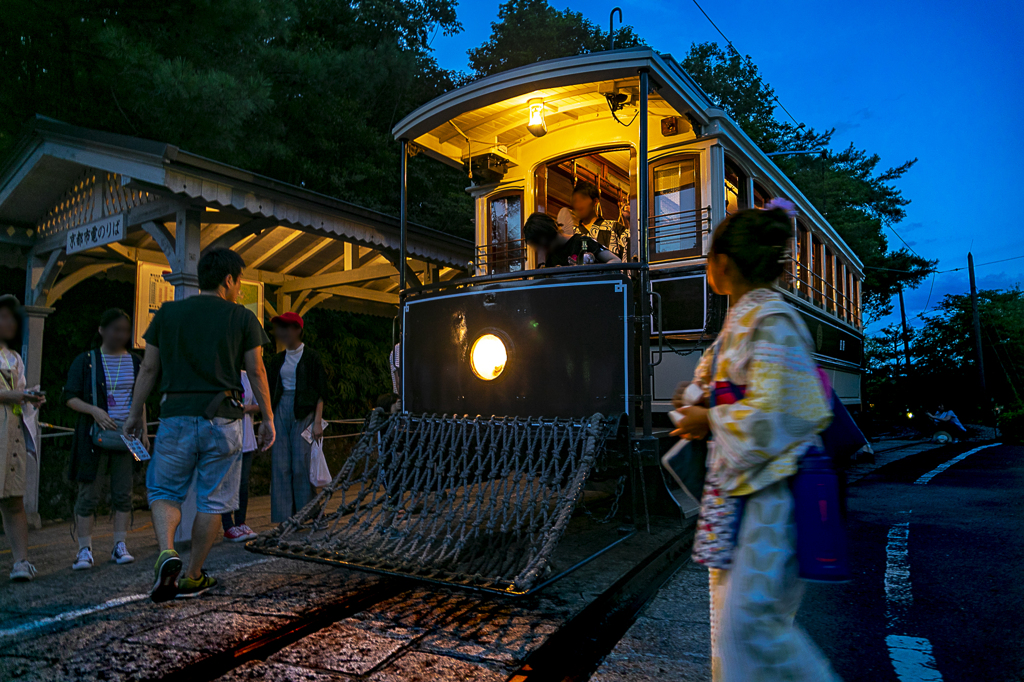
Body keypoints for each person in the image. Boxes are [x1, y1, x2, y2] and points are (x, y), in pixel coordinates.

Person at [671, 200, 840, 681]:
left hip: (771, 493)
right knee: (733, 622)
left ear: (722, 264)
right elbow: (711, 382)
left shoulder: (771, 320)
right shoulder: (746, 319)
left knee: (749, 628)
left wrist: (710, 419)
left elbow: (780, 410)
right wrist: (695, 401)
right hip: (742, 489)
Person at [124, 248, 275, 602]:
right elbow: (256, 369)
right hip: (222, 417)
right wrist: (267, 417)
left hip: (174, 414)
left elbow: (148, 368)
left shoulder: (168, 313)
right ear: (228, 280)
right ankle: (192, 576)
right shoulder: (241, 317)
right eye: (239, 282)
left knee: (164, 491)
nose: (239, 290)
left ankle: (166, 552)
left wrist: (134, 414)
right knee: (214, 501)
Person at [65, 309, 148, 570]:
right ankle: (84, 549)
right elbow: (69, 397)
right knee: (88, 493)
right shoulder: (87, 360)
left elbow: (140, 400)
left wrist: (143, 432)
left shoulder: (135, 362)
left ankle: (120, 545)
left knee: (123, 493)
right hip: (94, 437)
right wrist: (94, 410)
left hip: (127, 435)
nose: (120, 335)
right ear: (101, 330)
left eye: (125, 330)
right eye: (115, 329)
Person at [266, 312, 326, 524]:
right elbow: (270, 389)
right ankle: (285, 518)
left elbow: (321, 391)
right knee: (280, 464)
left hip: (305, 412)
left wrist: (318, 421)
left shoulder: (311, 357)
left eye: (286, 327)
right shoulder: (276, 360)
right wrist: (267, 418)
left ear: (297, 330)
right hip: (281, 408)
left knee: (301, 464)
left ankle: (310, 513)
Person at [0, 295, 44, 582]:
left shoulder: (14, 357)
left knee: (14, 500)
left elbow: (20, 393)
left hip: (13, 433)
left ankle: (21, 562)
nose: (9, 323)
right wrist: (14, 395)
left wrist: (30, 399)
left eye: (12, 318)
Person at [222, 370, 259, 542]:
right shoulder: (221, 373)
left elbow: (260, 404)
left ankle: (241, 521)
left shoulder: (247, 375)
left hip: (246, 436)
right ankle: (228, 525)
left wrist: (245, 408)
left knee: (243, 482)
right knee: (226, 482)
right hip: (225, 438)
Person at [523, 212, 621, 268]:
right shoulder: (551, 259)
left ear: (544, 240)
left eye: (539, 246)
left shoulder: (582, 242)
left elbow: (616, 260)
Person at [571, 180, 629, 261]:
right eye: (575, 201)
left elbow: (632, 247)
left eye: (583, 199)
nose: (578, 205)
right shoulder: (572, 234)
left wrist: (630, 219)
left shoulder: (613, 228)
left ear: (595, 201)